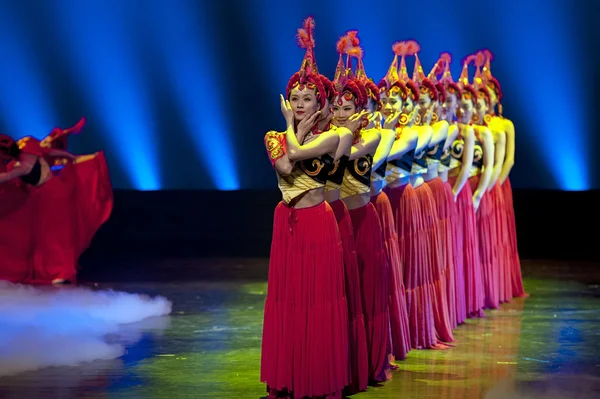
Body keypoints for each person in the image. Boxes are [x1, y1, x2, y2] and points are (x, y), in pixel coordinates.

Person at [260, 16, 349, 399]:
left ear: (320, 102)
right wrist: (290, 126)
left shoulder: (332, 137)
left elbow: (300, 157)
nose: (298, 104)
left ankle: (317, 378)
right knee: (288, 300)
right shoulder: (274, 136)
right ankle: (287, 378)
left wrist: (302, 129)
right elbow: (284, 165)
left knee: (318, 302)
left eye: (306, 99)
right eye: (294, 99)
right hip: (288, 223)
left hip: (318, 222)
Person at [0, 118, 113, 285]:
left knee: (55, 236)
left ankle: (61, 271)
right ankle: (53, 270)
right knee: (47, 236)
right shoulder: (29, 153)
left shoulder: (23, 165)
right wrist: (69, 156)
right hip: (47, 194)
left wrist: (72, 158)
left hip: (52, 196)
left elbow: (7, 177)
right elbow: (49, 152)